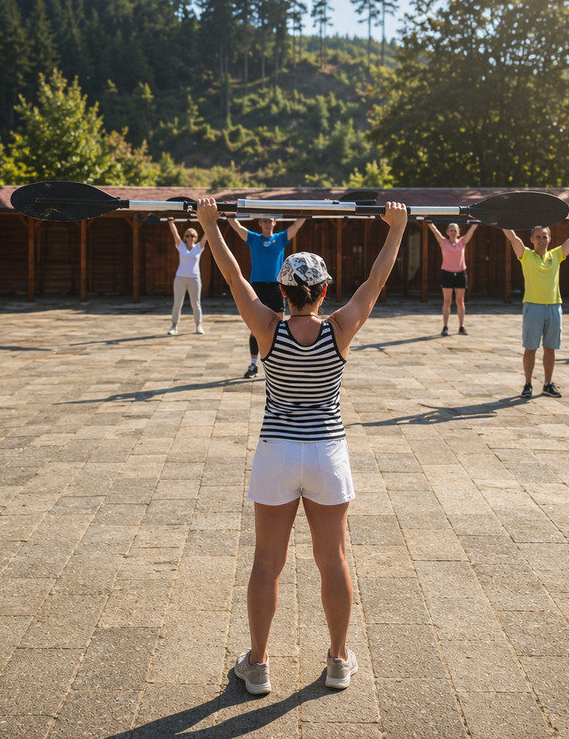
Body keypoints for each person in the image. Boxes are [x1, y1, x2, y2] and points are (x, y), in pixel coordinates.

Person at [197, 196, 408, 696]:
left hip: (277, 452)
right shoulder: (341, 329)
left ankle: (259, 665)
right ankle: (338, 661)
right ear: (324, 290)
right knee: (332, 558)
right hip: (326, 455)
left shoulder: (267, 328)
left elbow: (233, 277)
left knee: (267, 562)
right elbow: (375, 282)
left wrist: (210, 225)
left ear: (285, 292)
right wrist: (396, 229)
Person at [501, 212, 569, 399]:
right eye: (538, 237)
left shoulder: (557, 254)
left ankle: (547, 384)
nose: (542, 240)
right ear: (531, 239)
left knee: (550, 349)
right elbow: (512, 237)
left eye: (545, 237)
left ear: (549, 239)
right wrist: (500, 219)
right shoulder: (525, 255)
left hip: (554, 307)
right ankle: (528, 384)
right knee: (530, 348)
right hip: (533, 308)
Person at [225, 214, 307, 378]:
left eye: (270, 221)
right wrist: (229, 214)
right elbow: (237, 227)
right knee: (255, 329)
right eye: (264, 221)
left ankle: (278, 365)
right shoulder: (254, 239)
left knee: (278, 328)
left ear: (274, 222)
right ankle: (253, 365)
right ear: (260, 223)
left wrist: (310, 209)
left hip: (276, 287)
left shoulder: (281, 238)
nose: (267, 224)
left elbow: (296, 225)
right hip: (258, 287)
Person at [427, 220, 479, 336]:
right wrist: (429, 222)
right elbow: (434, 230)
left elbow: (472, 230)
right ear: (447, 232)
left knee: (460, 301)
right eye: (451, 230)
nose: (453, 232)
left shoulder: (462, 242)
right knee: (447, 301)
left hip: (460, 274)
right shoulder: (443, 242)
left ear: (458, 232)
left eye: (455, 230)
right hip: (447, 274)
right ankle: (445, 327)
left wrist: (476, 222)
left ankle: (461, 327)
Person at [166, 217, 209, 335]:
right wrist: (171, 222)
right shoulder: (181, 246)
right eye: (188, 235)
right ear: (185, 237)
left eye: (193, 236)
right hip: (180, 278)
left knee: (196, 303)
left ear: (195, 238)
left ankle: (198, 325)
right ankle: (174, 326)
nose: (190, 237)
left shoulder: (199, 247)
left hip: (194, 279)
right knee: (177, 303)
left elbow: (207, 234)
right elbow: (175, 233)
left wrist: (210, 221)